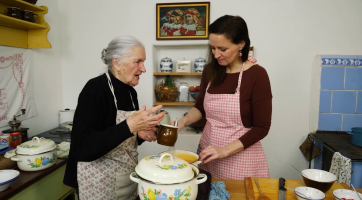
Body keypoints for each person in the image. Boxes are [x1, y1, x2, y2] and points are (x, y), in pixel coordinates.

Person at [63, 36, 165, 199]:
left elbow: (120, 136)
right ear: (116, 62)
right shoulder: (95, 89)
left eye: (143, 62)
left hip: (126, 181)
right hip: (99, 185)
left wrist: (140, 134)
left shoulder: (130, 92)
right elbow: (83, 148)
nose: (143, 69)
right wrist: (130, 126)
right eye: (138, 61)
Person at [174, 15, 272, 180]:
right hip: (209, 154)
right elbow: (200, 108)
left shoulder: (257, 75)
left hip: (240, 158)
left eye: (222, 49)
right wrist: (181, 123)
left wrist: (224, 150)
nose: (216, 54)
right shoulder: (210, 71)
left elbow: (262, 128)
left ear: (241, 44)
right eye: (213, 48)